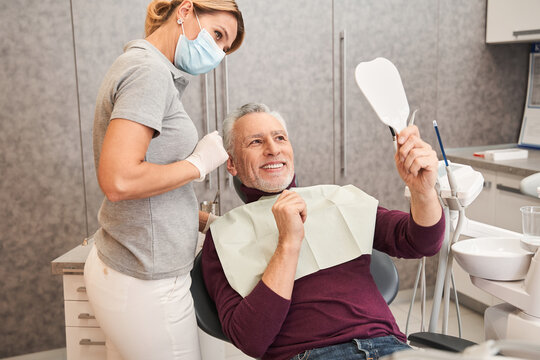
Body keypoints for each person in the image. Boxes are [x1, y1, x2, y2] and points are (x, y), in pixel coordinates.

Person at [201, 103, 445, 360]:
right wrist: (288, 243)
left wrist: (423, 192)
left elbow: (421, 242)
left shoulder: (336, 199)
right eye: (255, 142)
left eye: (280, 138)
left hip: (389, 347)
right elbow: (250, 338)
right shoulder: (224, 237)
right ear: (232, 164)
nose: (273, 150)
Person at [83, 1, 244, 359]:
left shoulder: (147, 67)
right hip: (145, 282)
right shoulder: (149, 73)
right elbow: (119, 180)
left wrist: (206, 222)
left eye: (224, 47)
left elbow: (150, 189)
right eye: (217, 35)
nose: (217, 53)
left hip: (127, 265)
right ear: (185, 10)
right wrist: (198, 164)